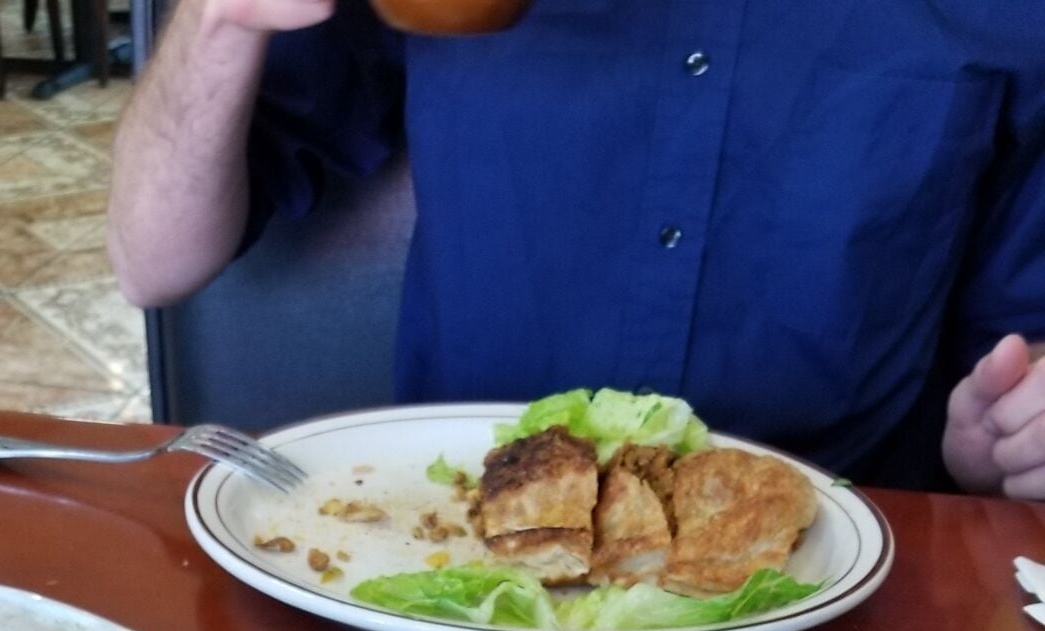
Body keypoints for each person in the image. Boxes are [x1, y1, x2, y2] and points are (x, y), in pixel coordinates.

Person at [107, 0, 1045, 494]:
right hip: (459, 538)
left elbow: (1008, 378)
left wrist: (1007, 437)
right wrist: (219, 17)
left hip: (832, 568)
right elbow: (153, 257)